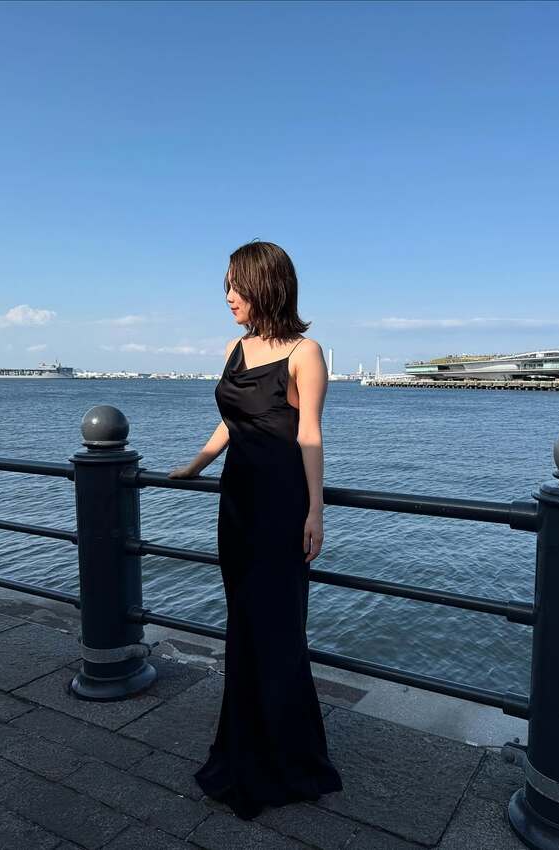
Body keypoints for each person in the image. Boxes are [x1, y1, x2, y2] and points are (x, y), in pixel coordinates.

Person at [168, 239, 343, 820]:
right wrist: (196, 465)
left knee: (279, 630)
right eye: (225, 286)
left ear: (264, 285)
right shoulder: (234, 349)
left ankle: (290, 761)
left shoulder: (304, 352)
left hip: (281, 505)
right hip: (238, 503)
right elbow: (231, 421)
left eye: (234, 285)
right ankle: (243, 752)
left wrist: (315, 510)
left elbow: (309, 433)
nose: (227, 296)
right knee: (243, 627)